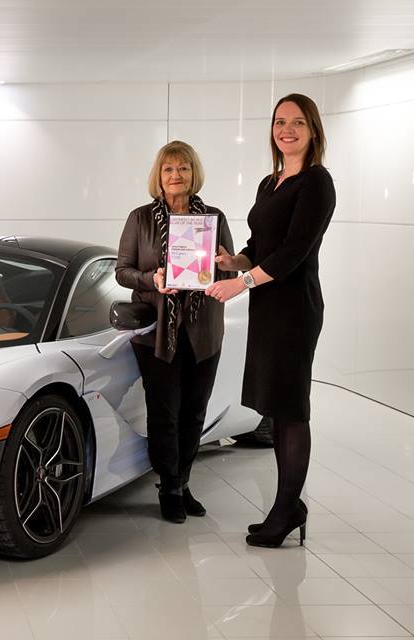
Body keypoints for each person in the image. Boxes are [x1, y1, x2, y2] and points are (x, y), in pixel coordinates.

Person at [207, 93, 336, 548]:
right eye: (281, 122)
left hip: (295, 308)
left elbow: (295, 251)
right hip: (268, 304)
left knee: (293, 408)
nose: (288, 129)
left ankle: (286, 509)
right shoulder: (271, 182)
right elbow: (260, 245)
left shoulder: (317, 183)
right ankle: (288, 505)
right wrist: (233, 261)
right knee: (277, 409)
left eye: (298, 122)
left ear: (313, 130)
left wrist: (242, 283)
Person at [116, 140, 234, 523]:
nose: (176, 175)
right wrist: (154, 278)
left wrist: (217, 265)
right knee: (164, 412)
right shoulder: (140, 218)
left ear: (192, 173)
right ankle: (168, 486)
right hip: (156, 334)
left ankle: (183, 481)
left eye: (183, 168)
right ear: (159, 176)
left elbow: (230, 271)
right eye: (169, 169)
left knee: (194, 413)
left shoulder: (212, 218)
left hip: (203, 332)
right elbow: (122, 271)